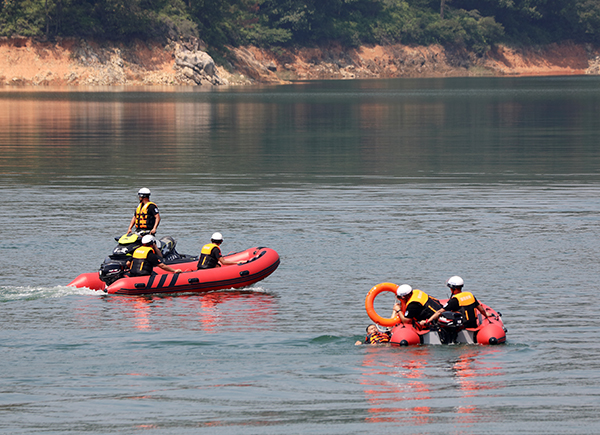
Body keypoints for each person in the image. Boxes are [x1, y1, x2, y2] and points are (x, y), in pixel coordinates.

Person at [419, 276, 489, 328]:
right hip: (473, 325)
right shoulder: (470, 295)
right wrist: (486, 315)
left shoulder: (454, 300)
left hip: (462, 327)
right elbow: (481, 309)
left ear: (452, 289)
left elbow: (439, 312)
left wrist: (427, 321)